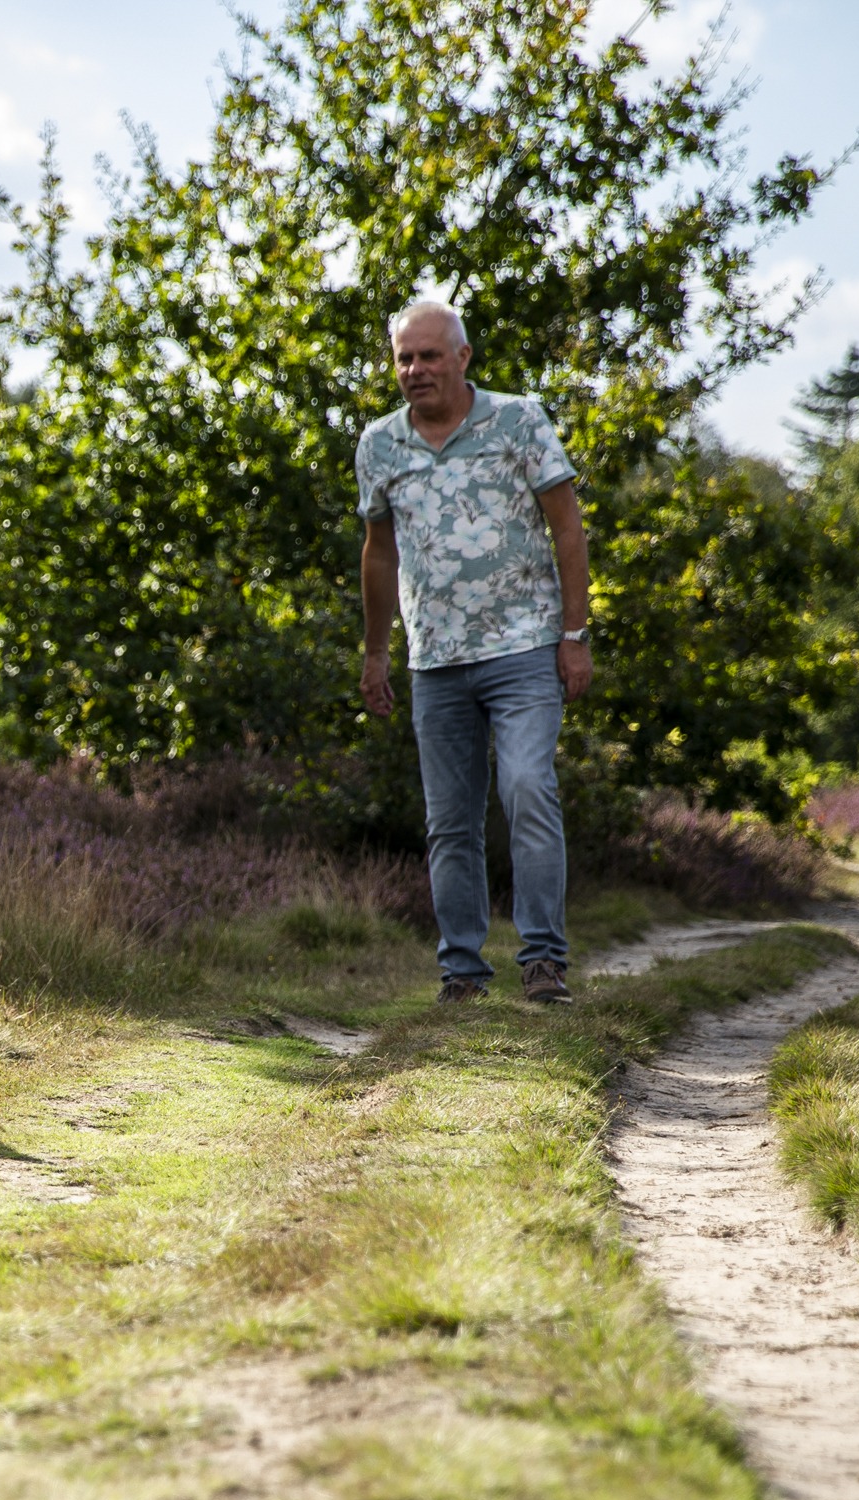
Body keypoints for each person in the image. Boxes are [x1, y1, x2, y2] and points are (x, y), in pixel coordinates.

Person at [357, 301, 591, 1005]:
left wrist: (574, 635)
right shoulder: (379, 444)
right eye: (404, 359)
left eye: (429, 356)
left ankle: (544, 960)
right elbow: (378, 552)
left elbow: (567, 527)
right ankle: (462, 972)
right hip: (435, 660)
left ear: (462, 358)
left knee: (526, 787)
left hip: (524, 645)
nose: (415, 371)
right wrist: (376, 655)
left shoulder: (519, 419)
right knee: (450, 821)